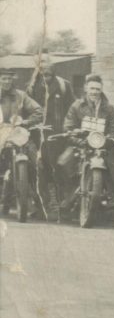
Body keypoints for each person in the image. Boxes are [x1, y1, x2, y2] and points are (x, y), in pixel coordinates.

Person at [59, 74, 114, 213]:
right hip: (80, 144)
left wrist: (107, 140)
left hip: (102, 146)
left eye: (97, 89)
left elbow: (113, 129)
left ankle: (113, 200)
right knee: (64, 162)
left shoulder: (109, 108)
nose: (94, 92)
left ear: (101, 90)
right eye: (92, 88)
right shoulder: (76, 106)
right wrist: (79, 140)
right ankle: (68, 196)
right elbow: (68, 127)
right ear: (86, 88)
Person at [26, 53, 75, 219]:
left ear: (52, 66)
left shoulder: (64, 85)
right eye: (40, 63)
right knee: (39, 170)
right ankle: (43, 206)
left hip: (58, 136)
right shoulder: (32, 87)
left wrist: (68, 129)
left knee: (59, 169)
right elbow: (27, 109)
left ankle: (63, 206)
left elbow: (72, 109)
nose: (43, 66)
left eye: (46, 62)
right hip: (37, 135)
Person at [0, 68, 44, 217]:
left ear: (13, 79)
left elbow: (38, 110)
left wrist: (25, 121)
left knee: (33, 158)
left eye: (8, 78)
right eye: (3, 78)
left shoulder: (21, 96)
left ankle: (34, 199)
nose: (6, 81)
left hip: (17, 131)